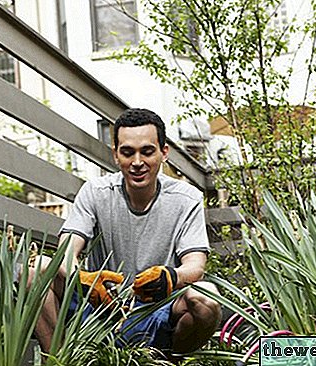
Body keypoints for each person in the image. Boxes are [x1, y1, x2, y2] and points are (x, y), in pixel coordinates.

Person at [30, 108, 221, 354]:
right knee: (36, 271)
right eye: (128, 152)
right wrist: (85, 279)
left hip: (156, 313)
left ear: (164, 153)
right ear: (116, 155)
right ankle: (62, 359)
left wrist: (170, 277)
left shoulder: (187, 198)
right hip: (99, 311)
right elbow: (67, 249)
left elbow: (195, 265)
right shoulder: (95, 192)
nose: (138, 162)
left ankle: (169, 361)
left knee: (205, 297)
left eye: (147, 151)